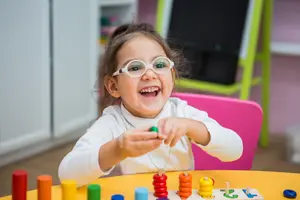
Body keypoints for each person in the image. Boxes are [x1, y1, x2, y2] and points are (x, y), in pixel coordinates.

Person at [58, 23, 243, 186]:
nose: (149, 75)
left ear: (171, 74)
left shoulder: (182, 112)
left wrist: (191, 127)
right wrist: (116, 150)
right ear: (114, 86)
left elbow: (235, 150)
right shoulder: (112, 123)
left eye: (159, 64)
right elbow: (67, 175)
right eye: (135, 68)